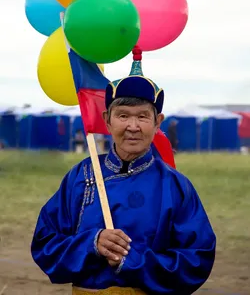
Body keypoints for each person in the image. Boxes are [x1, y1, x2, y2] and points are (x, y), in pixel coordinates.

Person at [31, 54, 216, 295]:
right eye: (123, 115)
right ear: (107, 121)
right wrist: (91, 243)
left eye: (142, 116)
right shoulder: (81, 176)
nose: (133, 126)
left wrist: (134, 263)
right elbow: (45, 244)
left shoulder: (175, 186)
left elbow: (197, 260)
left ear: (158, 122)